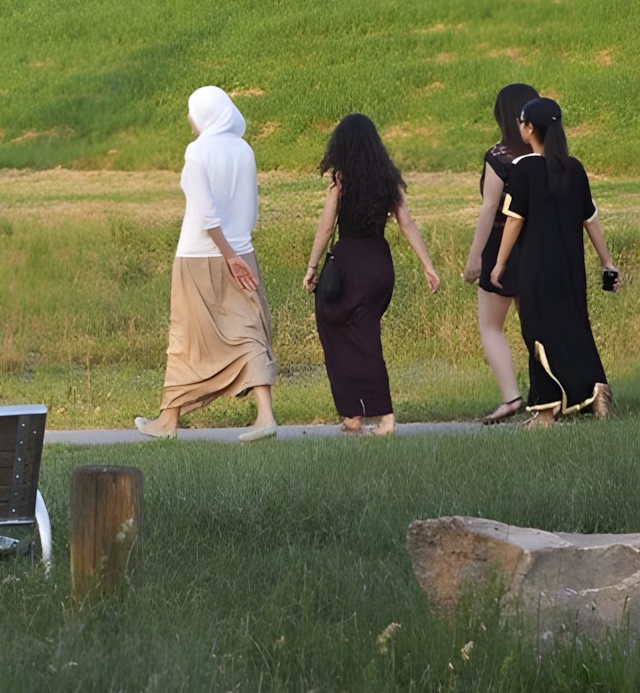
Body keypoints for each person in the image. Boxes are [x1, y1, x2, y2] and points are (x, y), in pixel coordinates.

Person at [137, 86, 278, 442]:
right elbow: (251, 207)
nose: (189, 118)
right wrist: (236, 252)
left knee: (186, 335)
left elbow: (204, 212)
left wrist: (226, 254)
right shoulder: (245, 150)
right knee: (250, 329)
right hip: (242, 252)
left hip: (199, 255)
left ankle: (168, 420)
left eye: (192, 111)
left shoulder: (197, 152)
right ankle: (265, 417)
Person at [301, 113, 441, 435]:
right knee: (365, 335)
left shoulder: (341, 179)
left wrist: (311, 268)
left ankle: (374, 415)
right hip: (379, 265)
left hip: (350, 265)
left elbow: (325, 228)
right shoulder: (387, 178)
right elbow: (406, 222)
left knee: (334, 324)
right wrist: (427, 265)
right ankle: (357, 415)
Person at [488, 96, 619, 423]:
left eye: (521, 122)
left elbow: (515, 220)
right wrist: (607, 263)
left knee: (538, 334)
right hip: (571, 269)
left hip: (538, 269)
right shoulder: (574, 168)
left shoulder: (523, 169)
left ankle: (546, 412)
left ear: (530, 128)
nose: (519, 126)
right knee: (574, 329)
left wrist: (500, 262)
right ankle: (595, 389)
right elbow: (590, 220)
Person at [460, 82, 542, 423]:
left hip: (500, 245)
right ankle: (548, 396)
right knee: (537, 327)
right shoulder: (545, 154)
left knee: (491, 327)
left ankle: (511, 397)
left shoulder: (498, 157)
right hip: (537, 245)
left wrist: (475, 256)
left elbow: (490, 207)